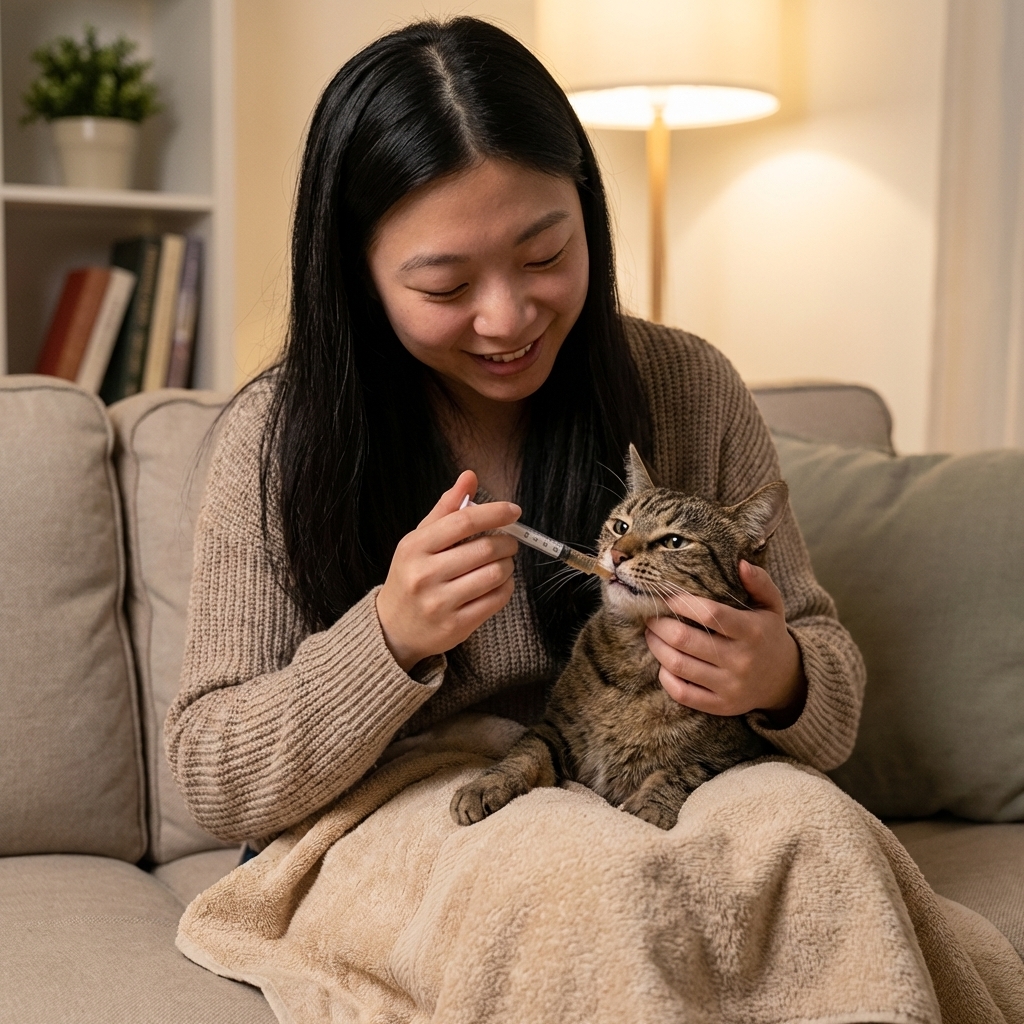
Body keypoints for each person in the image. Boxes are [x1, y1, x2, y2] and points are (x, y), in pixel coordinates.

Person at [167, 11, 868, 998]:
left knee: (828, 839)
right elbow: (209, 776)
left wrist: (779, 670)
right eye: (445, 283)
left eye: (544, 256)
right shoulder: (275, 441)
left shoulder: (688, 387)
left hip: (653, 784)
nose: (506, 317)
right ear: (359, 278)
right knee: (578, 877)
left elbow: (829, 702)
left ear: (588, 212)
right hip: (411, 818)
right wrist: (388, 637)